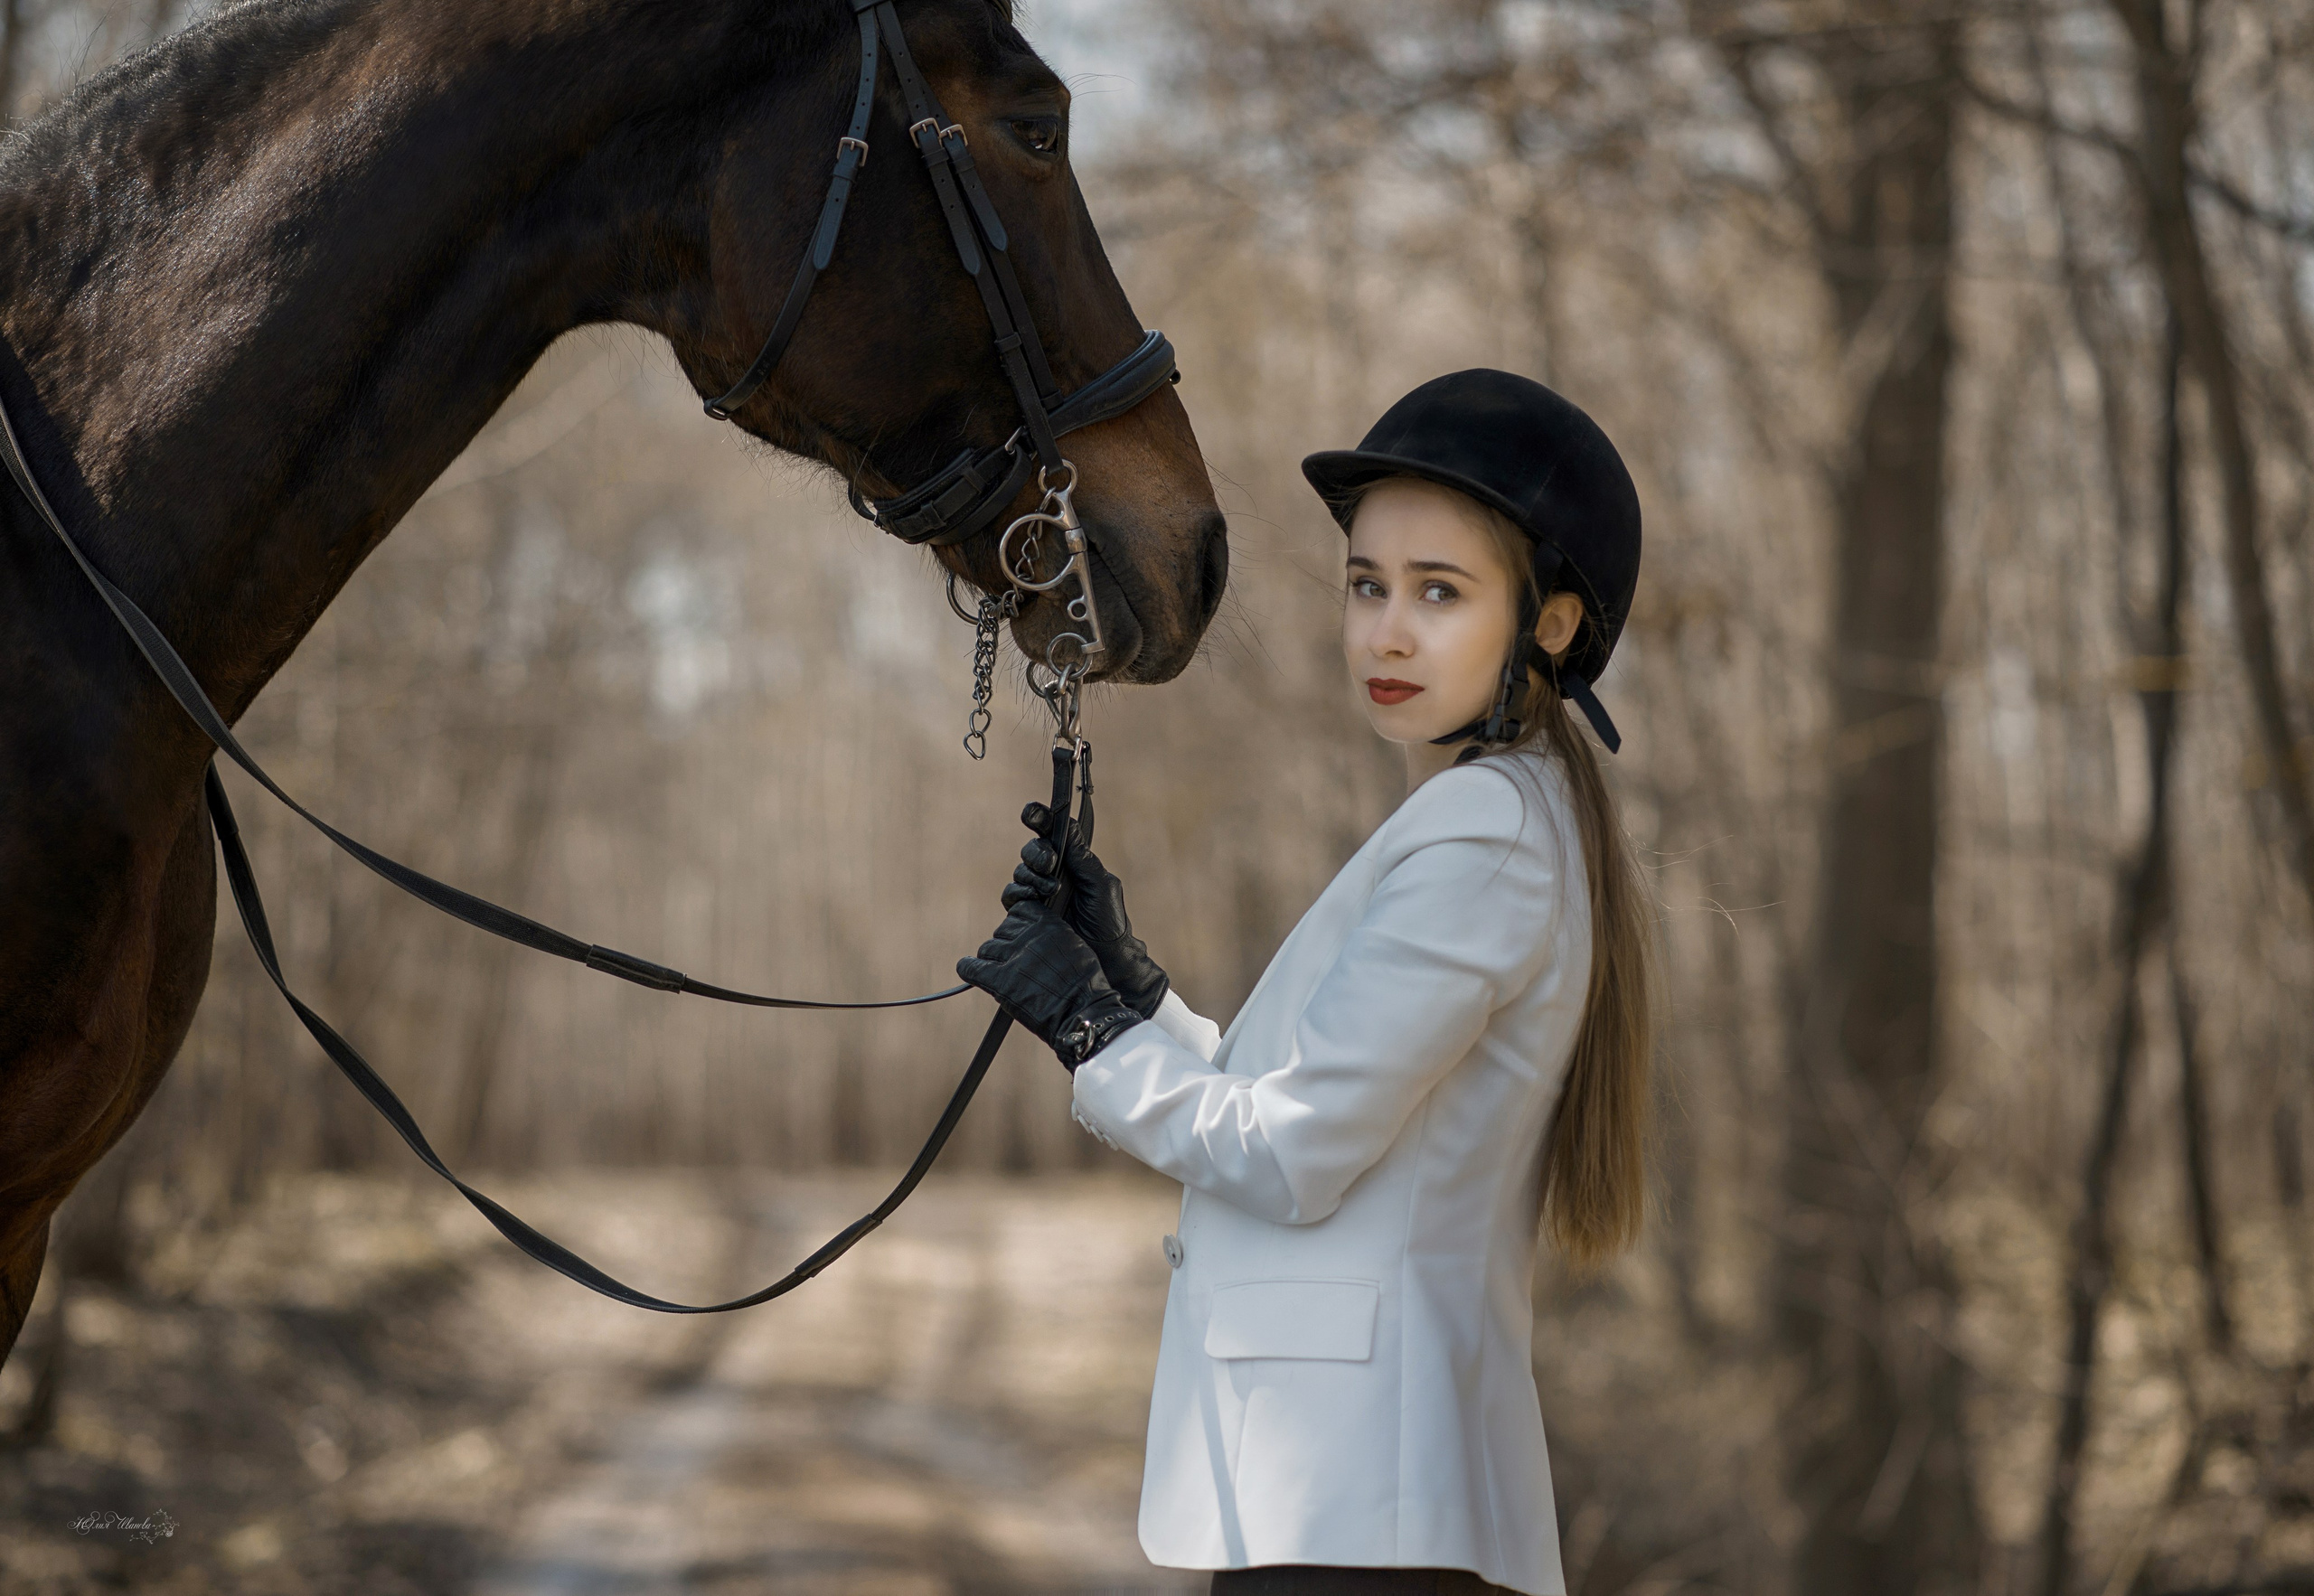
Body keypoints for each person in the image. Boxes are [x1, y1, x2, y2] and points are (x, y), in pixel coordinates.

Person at [957, 370, 1654, 1596]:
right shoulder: (1494, 817)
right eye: (1367, 585)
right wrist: (1139, 991)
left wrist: (1087, 1029)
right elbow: (1324, 1106)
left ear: (1548, 621)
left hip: (1356, 1513)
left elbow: (1290, 1153)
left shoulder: (1481, 834)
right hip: (1345, 1508)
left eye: (1440, 592)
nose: (1386, 631)